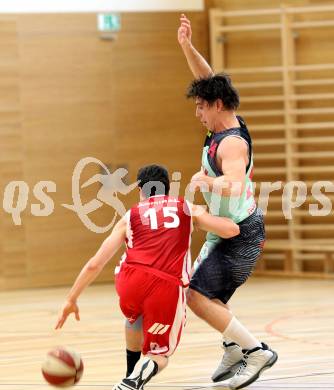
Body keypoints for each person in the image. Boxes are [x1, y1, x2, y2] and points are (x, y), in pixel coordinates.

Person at [55, 164, 240, 390]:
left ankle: (129, 375)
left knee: (135, 317)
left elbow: (96, 263)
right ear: (168, 188)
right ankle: (133, 379)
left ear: (140, 190)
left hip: (128, 281)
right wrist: (229, 216)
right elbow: (230, 231)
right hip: (165, 286)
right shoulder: (185, 207)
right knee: (159, 355)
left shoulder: (130, 215)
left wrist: (71, 299)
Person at [177, 14, 278, 390]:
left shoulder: (232, 143)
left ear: (217, 105)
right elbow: (209, 78)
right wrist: (187, 47)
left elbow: (234, 185)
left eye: (202, 106)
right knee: (206, 294)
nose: (197, 112)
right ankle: (234, 348)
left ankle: (256, 352)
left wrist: (208, 182)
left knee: (197, 297)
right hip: (227, 232)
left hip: (239, 235)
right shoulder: (223, 121)